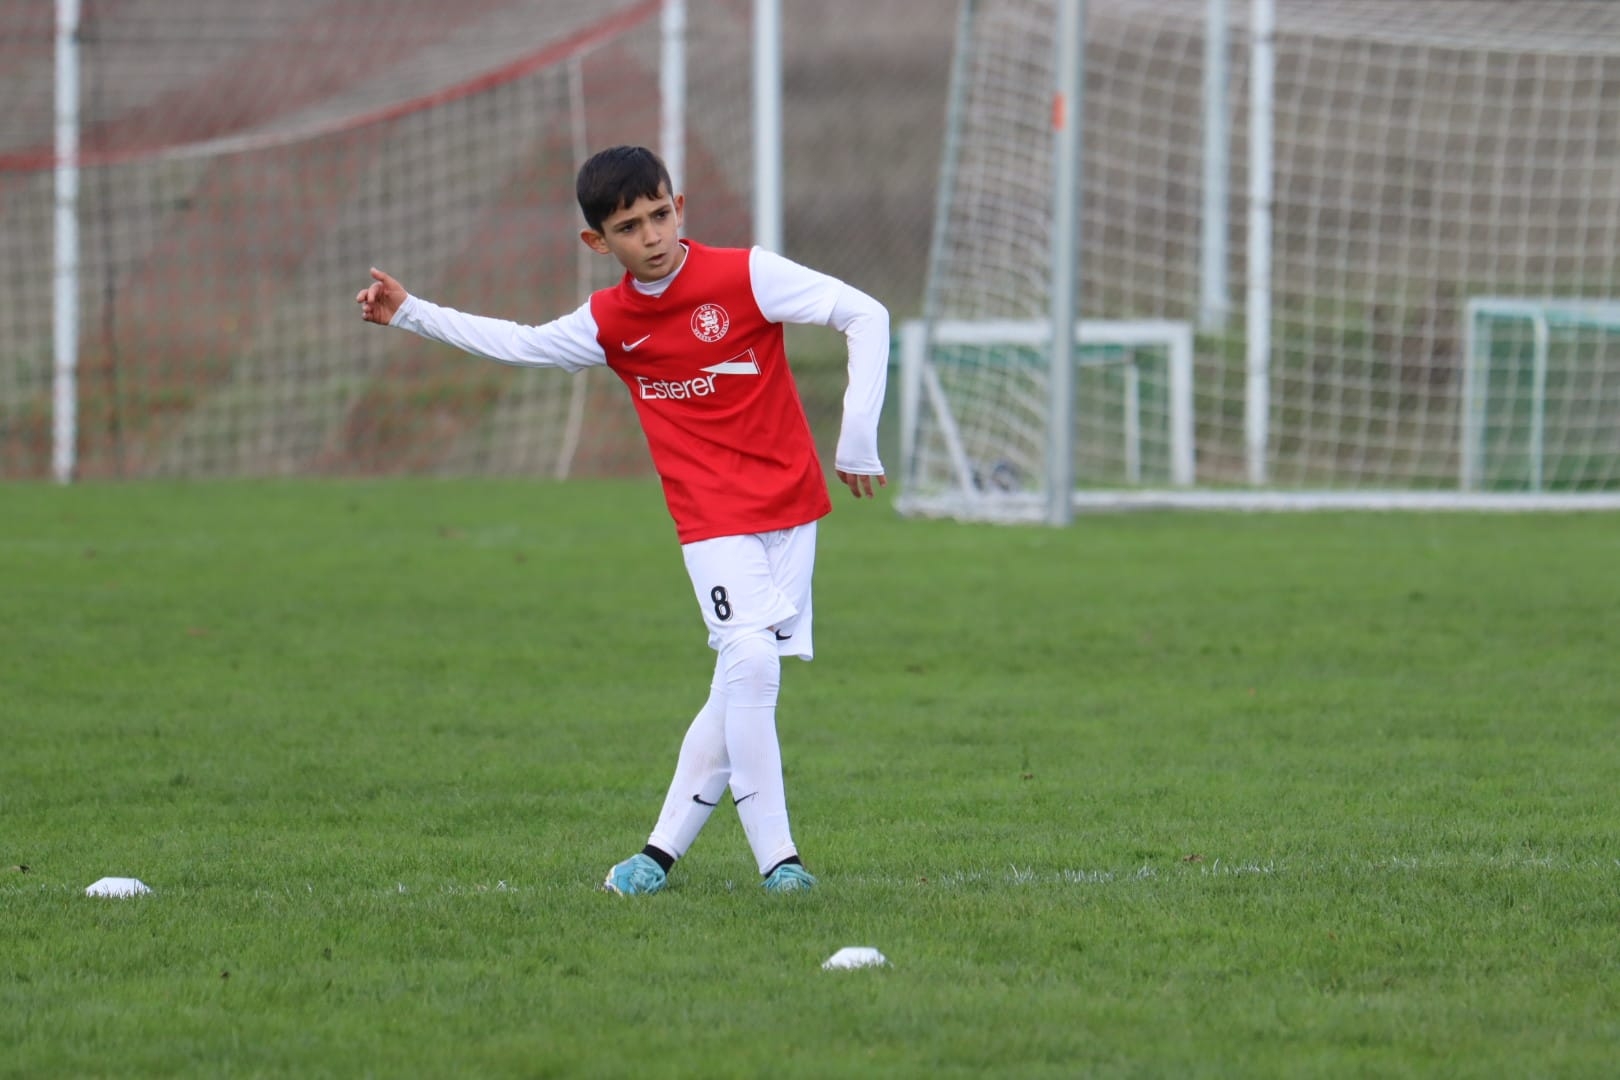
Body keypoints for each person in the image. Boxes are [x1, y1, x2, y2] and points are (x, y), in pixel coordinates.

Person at [356, 145, 888, 895]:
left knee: (735, 686)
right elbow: (520, 343)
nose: (653, 235)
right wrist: (411, 312)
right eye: (630, 226)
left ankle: (656, 856)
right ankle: (780, 862)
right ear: (597, 242)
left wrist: (857, 436)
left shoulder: (747, 275)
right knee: (753, 664)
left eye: (660, 214)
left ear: (680, 207)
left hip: (793, 509)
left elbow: (866, 313)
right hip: (711, 520)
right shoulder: (607, 322)